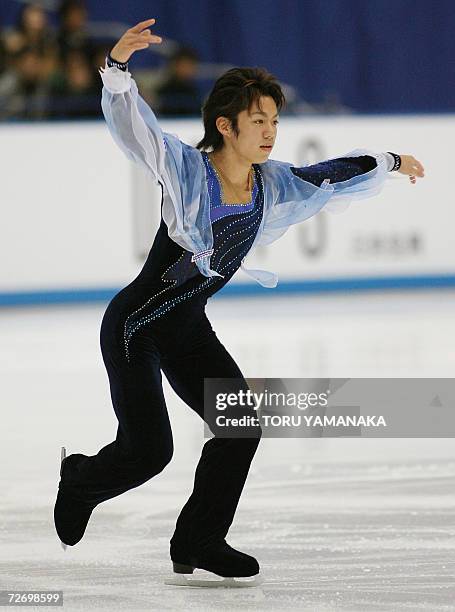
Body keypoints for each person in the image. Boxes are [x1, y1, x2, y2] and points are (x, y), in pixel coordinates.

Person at [53, 18, 425, 586]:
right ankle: (81, 479)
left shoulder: (270, 185)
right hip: (135, 326)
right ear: (226, 126)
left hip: (187, 329)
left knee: (241, 423)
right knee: (150, 451)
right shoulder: (186, 172)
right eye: (258, 121)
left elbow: (327, 175)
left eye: (274, 120)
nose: (271, 130)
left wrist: (391, 162)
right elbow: (137, 129)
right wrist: (117, 68)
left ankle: (198, 537)